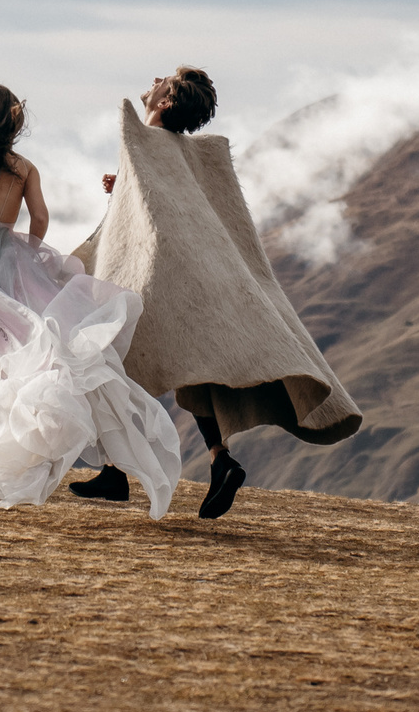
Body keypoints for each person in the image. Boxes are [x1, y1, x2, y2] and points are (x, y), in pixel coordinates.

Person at [71, 66, 362, 519]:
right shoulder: (180, 154)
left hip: (153, 272)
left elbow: (153, 224)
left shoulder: (146, 143)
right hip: (189, 272)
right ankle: (218, 458)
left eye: (163, 80)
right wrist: (124, 187)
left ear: (165, 103)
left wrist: (129, 180)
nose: (154, 79)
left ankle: (115, 470)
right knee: (196, 369)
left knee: (109, 358)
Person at [0, 81, 185, 517]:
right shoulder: (23, 168)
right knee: (13, 353)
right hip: (9, 259)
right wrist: (22, 253)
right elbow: (39, 219)